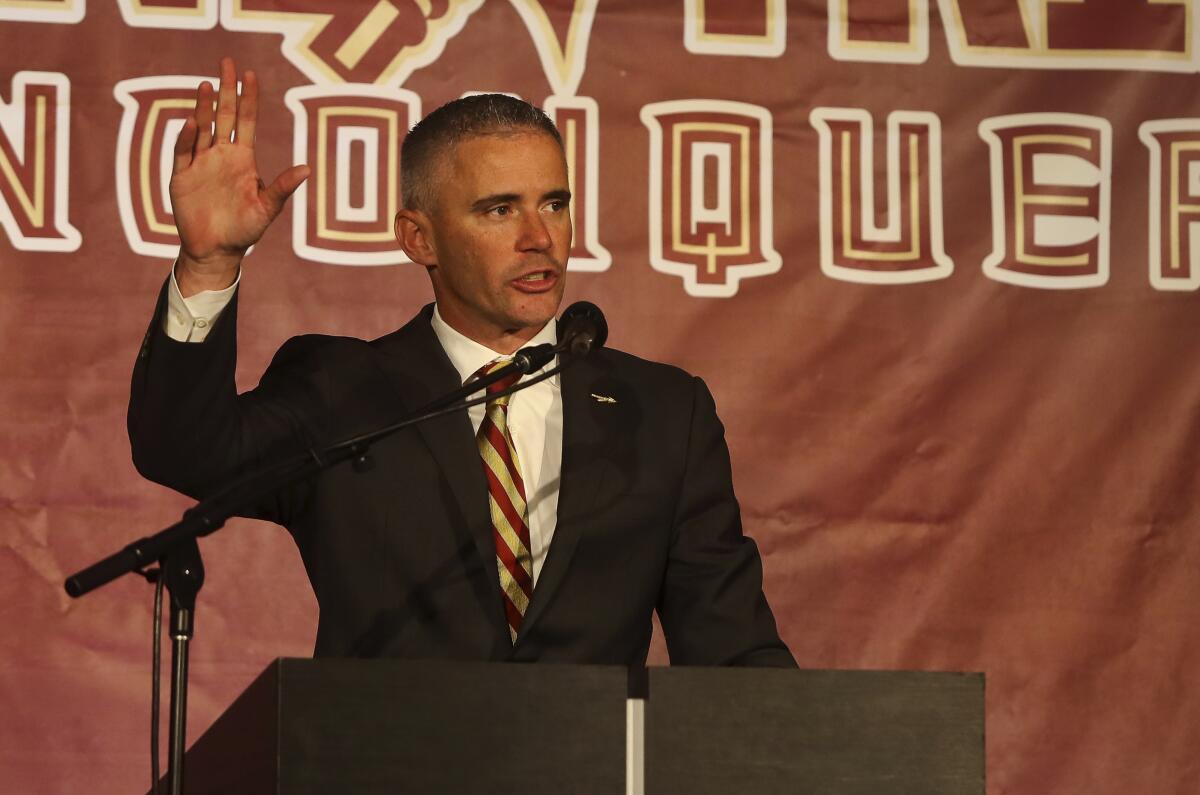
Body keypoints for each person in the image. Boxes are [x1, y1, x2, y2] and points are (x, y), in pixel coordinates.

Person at [130, 57, 795, 667]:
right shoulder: (343, 391)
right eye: (499, 209)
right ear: (420, 238)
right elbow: (185, 451)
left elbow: (733, 652)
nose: (539, 239)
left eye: (554, 205)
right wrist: (210, 262)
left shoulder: (662, 413)